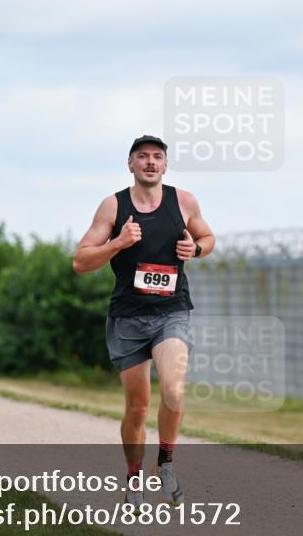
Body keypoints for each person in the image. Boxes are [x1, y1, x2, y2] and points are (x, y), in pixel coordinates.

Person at [73, 135, 214, 506]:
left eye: (157, 157)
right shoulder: (113, 206)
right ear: (130, 164)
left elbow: (208, 236)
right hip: (128, 317)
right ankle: (133, 477)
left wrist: (196, 249)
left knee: (174, 388)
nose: (150, 162)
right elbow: (81, 261)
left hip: (171, 311)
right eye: (142, 157)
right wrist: (118, 243)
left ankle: (165, 463)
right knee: (137, 407)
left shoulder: (183, 201)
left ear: (165, 165)